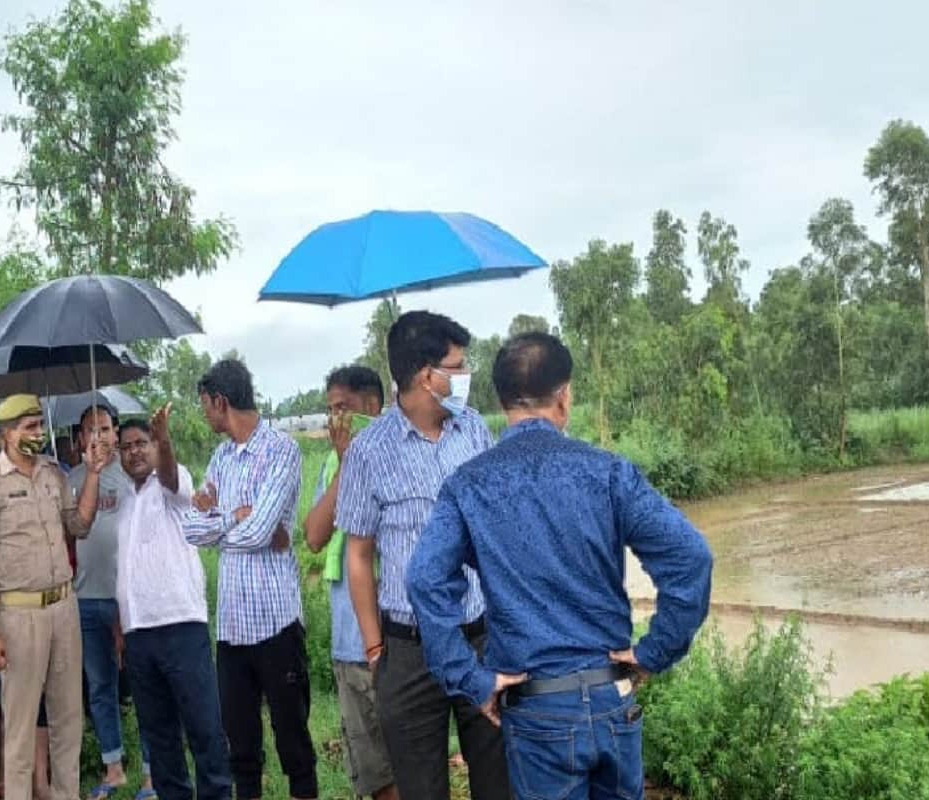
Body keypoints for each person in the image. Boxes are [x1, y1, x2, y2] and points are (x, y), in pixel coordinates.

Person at [407, 332, 714, 800]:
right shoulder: (608, 472)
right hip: (613, 700)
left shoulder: (468, 487)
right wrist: (655, 650)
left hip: (536, 710)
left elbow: (425, 580)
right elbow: (691, 558)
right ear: (565, 396)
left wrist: (472, 679)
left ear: (502, 400)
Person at [336, 310, 510, 800]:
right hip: (409, 652)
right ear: (424, 376)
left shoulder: (474, 430)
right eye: (457, 366)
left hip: (480, 639)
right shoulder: (370, 452)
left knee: (499, 780)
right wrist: (375, 650)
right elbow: (358, 554)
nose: (464, 376)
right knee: (421, 788)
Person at [181, 359, 317, 800]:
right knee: (240, 747)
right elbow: (190, 526)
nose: (205, 415)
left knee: (293, 740)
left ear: (221, 402)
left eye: (206, 406)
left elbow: (262, 531)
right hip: (233, 628)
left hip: (276, 620)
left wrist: (232, 523)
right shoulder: (221, 457)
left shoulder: (281, 450)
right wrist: (235, 518)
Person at [0, 394, 105, 800]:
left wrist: (93, 474)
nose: (38, 435)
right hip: (18, 616)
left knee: (68, 720)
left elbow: (78, 525)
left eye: (39, 426)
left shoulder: (52, 473)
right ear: (6, 434)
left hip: (64, 608)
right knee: (21, 728)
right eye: (29, 428)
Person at [118, 409, 232, 800]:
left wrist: (164, 439)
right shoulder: (125, 501)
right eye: (127, 446)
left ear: (154, 445)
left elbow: (168, 473)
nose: (134, 452)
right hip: (139, 635)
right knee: (160, 735)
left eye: (141, 443)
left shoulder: (173, 481)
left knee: (203, 727)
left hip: (181, 625)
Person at [302, 366, 397, 800]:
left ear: (372, 408)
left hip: (389, 642)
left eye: (344, 408)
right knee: (372, 773)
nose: (335, 419)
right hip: (347, 642)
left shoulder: (396, 457)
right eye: (330, 410)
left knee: (400, 768)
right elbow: (315, 535)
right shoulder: (333, 463)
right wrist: (344, 467)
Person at [69, 405, 154, 799]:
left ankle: (153, 774)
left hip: (130, 600)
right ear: (80, 437)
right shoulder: (71, 480)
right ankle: (113, 768)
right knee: (100, 687)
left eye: (104, 428)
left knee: (142, 684)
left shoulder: (134, 478)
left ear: (116, 432)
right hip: (85, 599)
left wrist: (126, 603)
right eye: (90, 430)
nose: (98, 437)